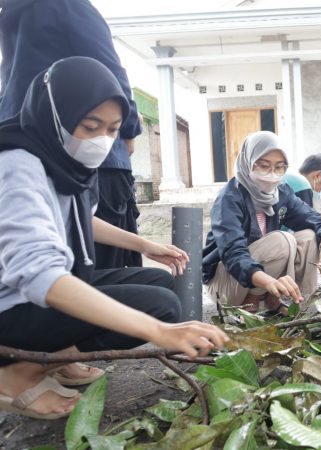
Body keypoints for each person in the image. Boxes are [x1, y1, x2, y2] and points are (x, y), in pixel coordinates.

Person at [0, 57, 228, 420]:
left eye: (112, 129)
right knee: (159, 309)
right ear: (55, 113)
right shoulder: (18, 165)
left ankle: (57, 359)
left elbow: (81, 221)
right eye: (91, 126)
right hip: (11, 305)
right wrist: (160, 332)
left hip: (40, 292)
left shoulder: (63, 159)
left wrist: (145, 246)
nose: (101, 141)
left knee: (158, 281)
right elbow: (40, 275)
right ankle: (18, 372)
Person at [0, 0, 144, 270]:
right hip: (96, 164)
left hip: (34, 143)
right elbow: (109, 74)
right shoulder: (68, 5)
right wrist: (126, 130)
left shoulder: (12, 13)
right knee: (102, 266)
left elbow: (11, 86)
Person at [202, 131, 321, 315]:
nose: (272, 174)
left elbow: (313, 218)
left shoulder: (281, 193)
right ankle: (250, 302)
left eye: (279, 167)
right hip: (227, 283)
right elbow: (233, 254)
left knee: (309, 236)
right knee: (282, 241)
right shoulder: (229, 198)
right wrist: (268, 282)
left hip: (262, 276)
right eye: (264, 166)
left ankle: (302, 304)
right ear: (247, 162)